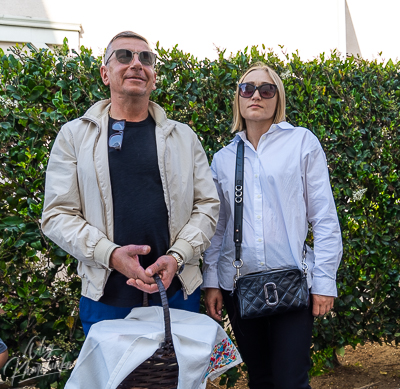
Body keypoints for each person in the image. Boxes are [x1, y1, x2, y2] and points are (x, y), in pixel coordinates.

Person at [42, 31, 219, 336]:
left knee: (177, 382)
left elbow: (207, 206)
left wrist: (177, 257)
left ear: (153, 77)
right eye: (124, 56)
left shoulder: (184, 137)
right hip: (106, 297)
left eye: (146, 58)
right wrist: (110, 254)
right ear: (105, 73)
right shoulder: (74, 136)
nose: (137, 64)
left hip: (177, 293)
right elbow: (57, 214)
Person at [203, 62, 342, 389]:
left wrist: (324, 280)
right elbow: (217, 227)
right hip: (241, 287)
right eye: (247, 88)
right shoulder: (224, 158)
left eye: (267, 89)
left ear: (277, 98)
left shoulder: (302, 143)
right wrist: (212, 281)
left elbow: (323, 216)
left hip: (292, 282)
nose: (256, 95)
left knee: (291, 381)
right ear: (237, 98)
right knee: (261, 380)